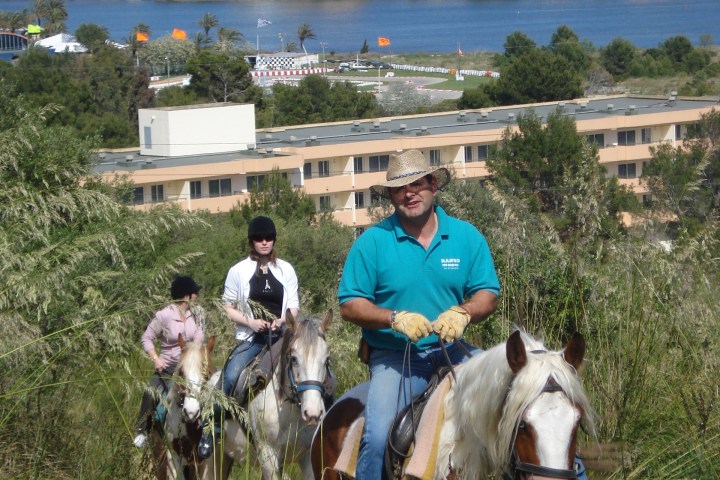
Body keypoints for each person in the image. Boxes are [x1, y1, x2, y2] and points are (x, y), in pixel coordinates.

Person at [337, 149, 501, 480]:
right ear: (391, 196)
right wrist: (393, 318)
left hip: (454, 352)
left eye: (417, 184)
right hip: (396, 357)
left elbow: (488, 293)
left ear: (433, 184)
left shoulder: (465, 236)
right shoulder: (372, 242)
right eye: (400, 188)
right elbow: (349, 304)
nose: (409, 193)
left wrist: (464, 313)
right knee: (379, 435)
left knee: (511, 397)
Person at [198, 215, 300, 459]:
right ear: (251, 241)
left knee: (313, 363)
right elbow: (228, 306)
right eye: (259, 238)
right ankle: (211, 429)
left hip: (281, 335)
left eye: (269, 238)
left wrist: (281, 320)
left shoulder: (286, 269)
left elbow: (294, 306)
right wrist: (251, 322)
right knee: (231, 375)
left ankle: (326, 418)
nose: (264, 242)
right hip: (250, 338)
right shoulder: (238, 270)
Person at [133, 275, 204, 449]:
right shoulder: (164, 315)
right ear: (187, 296)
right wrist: (156, 358)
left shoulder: (196, 315)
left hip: (188, 366)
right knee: (150, 393)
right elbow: (147, 338)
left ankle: (208, 429)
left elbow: (199, 336)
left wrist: (196, 346)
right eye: (195, 293)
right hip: (167, 366)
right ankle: (142, 430)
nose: (197, 296)